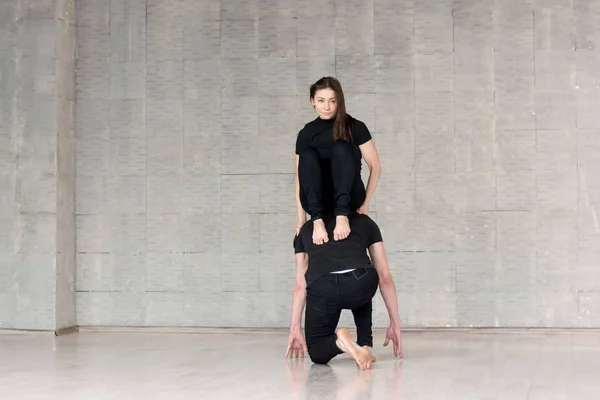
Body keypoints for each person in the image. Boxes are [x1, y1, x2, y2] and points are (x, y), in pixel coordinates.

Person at [285, 212, 403, 370]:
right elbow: (385, 277)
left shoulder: (306, 230)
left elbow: (300, 285)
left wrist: (295, 328)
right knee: (363, 277)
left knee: (316, 351)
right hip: (360, 283)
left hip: (324, 287)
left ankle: (339, 342)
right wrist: (394, 323)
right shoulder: (364, 222)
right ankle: (365, 344)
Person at [295, 76, 382, 245]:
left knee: (340, 147)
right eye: (321, 100)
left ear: (339, 101)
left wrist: (365, 205)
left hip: (349, 198)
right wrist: (301, 219)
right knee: (307, 154)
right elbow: (301, 177)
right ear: (312, 101)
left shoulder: (355, 127)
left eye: (332, 101)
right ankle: (317, 220)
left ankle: (342, 216)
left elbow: (375, 167)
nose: (326, 106)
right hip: (318, 200)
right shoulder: (306, 133)